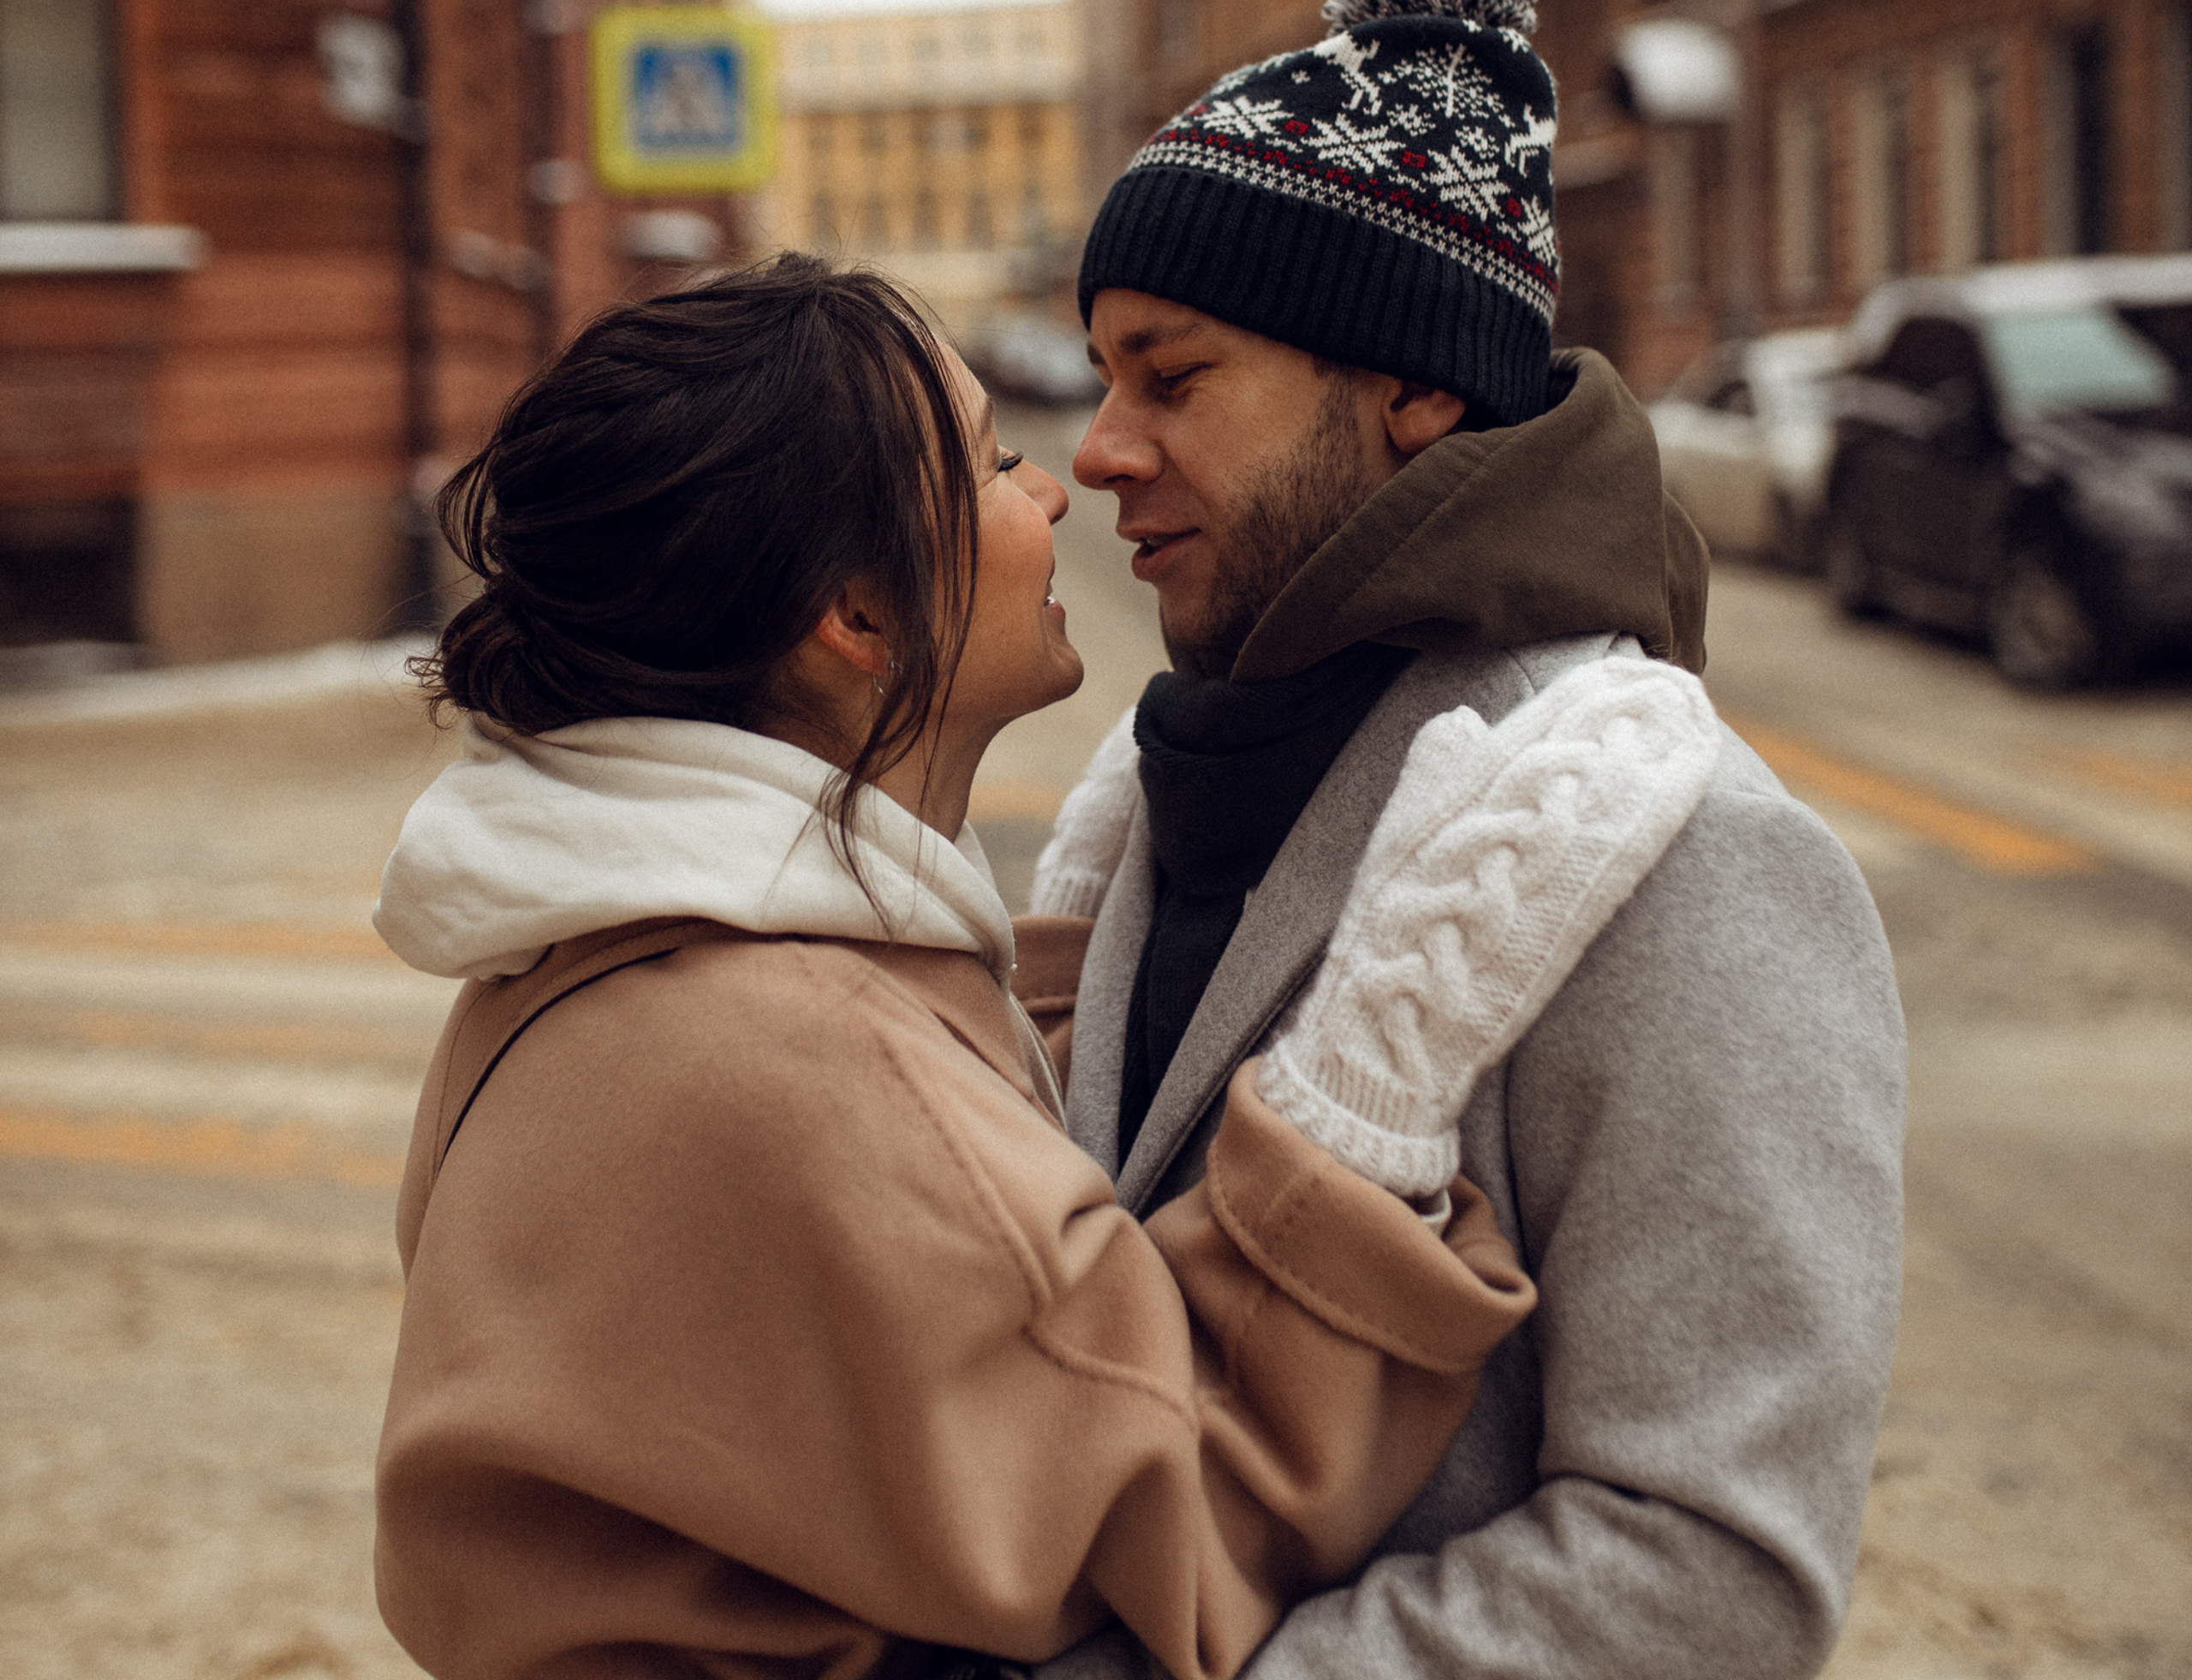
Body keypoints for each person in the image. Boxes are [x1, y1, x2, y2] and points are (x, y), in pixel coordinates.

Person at [368, 255, 1728, 1680]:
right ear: (859, 618)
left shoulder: (587, 943)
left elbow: (890, 1377)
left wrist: (1057, 1002)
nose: (1058, 485)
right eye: (991, 462)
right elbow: (1172, 1512)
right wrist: (1369, 1080)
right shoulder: (806, 1043)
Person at [1027, 0, 1909, 1680]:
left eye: (1169, 377)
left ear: (1410, 383)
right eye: (1104, 374)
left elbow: (1709, 1565)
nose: (1100, 450)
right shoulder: (1152, 783)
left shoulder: (1679, 848)